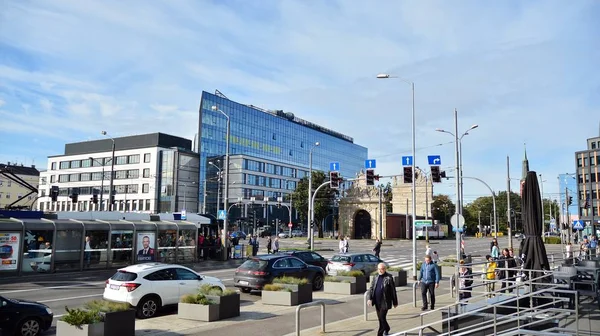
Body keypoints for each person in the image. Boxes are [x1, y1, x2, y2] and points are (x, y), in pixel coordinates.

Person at [367, 263, 398, 336]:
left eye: (382, 269)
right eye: (379, 269)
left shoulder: (389, 277)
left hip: (385, 301)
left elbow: (393, 290)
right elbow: (371, 288)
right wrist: (370, 298)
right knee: (380, 319)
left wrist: (395, 302)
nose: (380, 270)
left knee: (382, 317)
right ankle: (387, 328)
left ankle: (379, 334)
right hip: (377, 301)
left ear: (385, 269)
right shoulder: (376, 277)